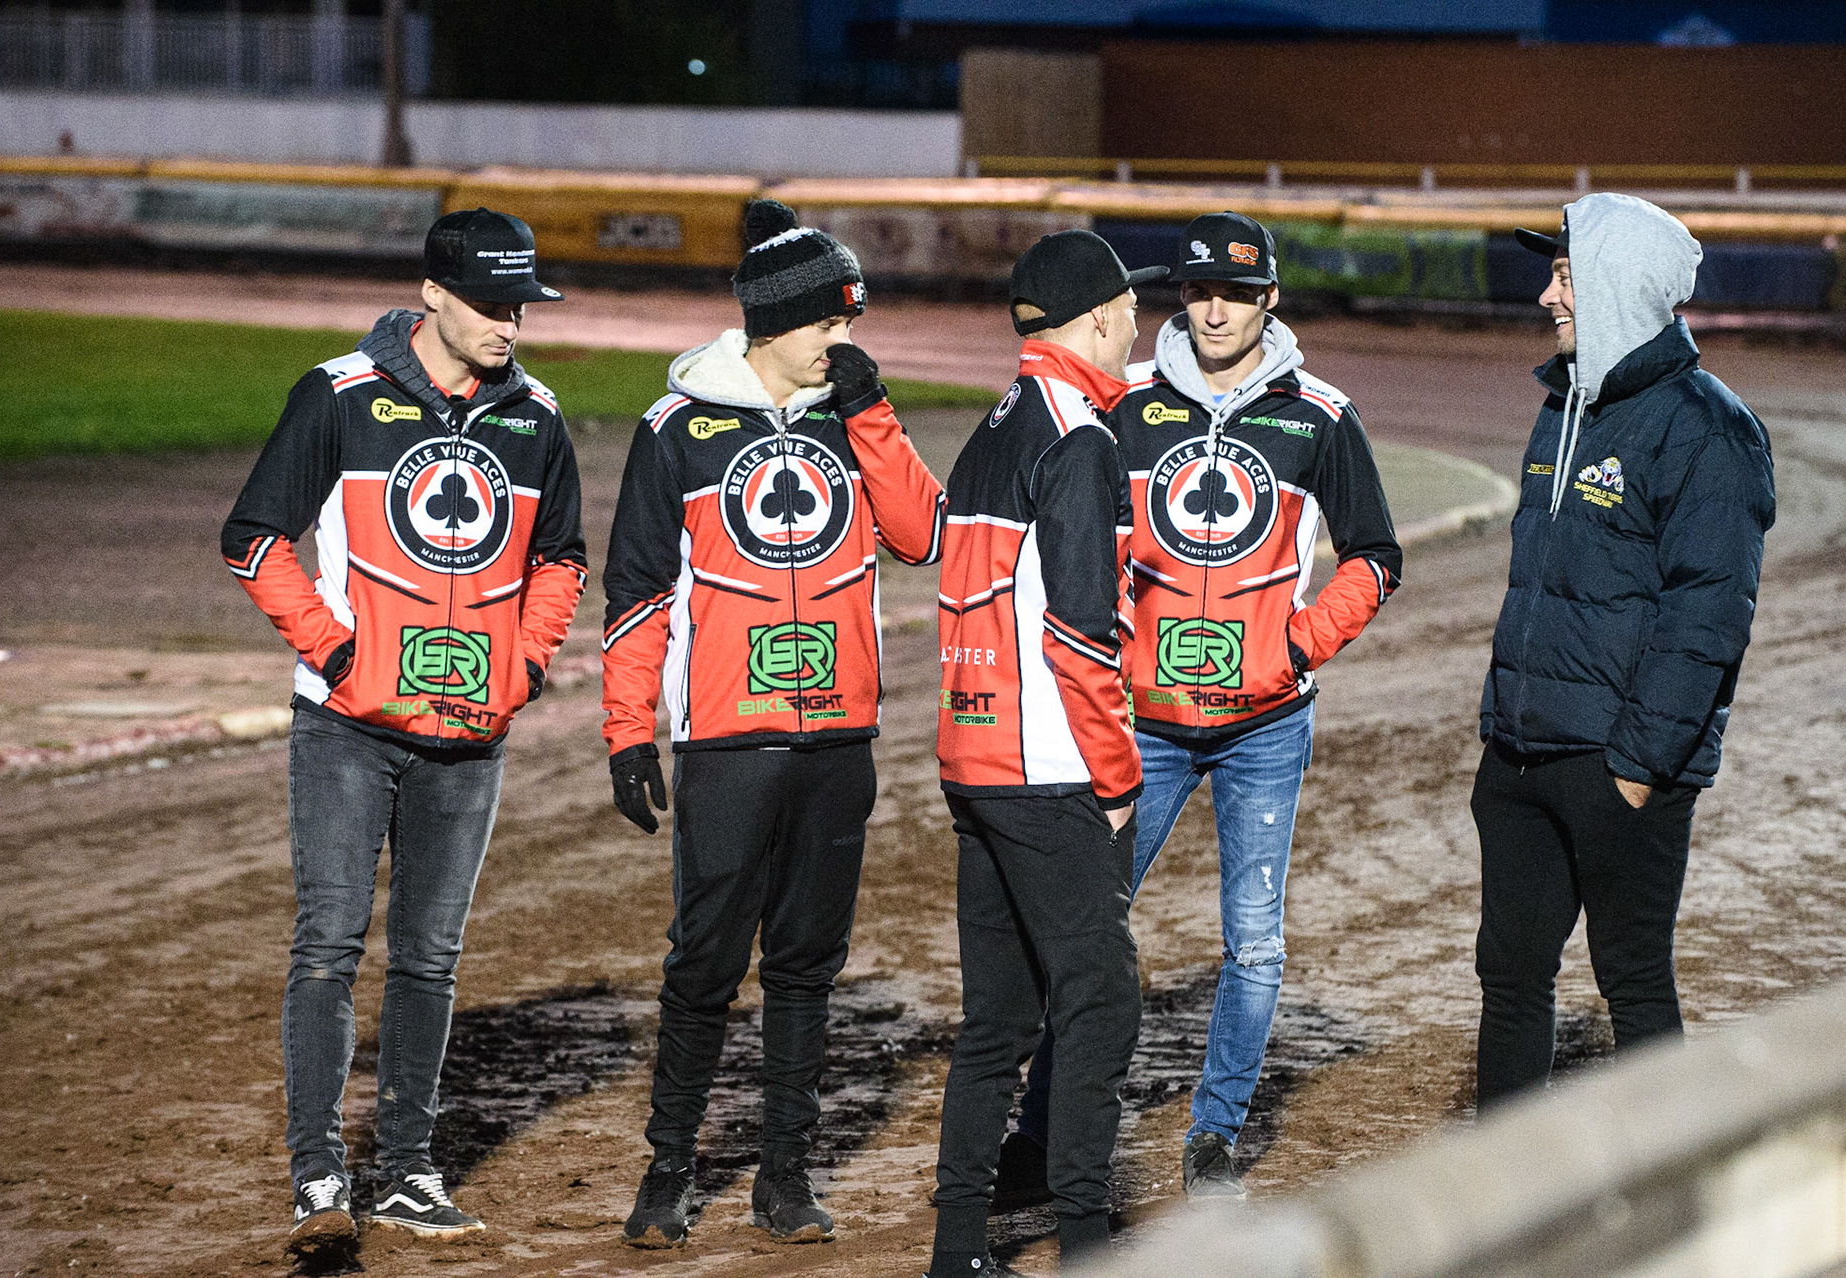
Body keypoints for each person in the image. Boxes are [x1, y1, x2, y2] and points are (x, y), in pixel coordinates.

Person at [994, 211, 1403, 1206]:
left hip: (1266, 725)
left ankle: (1214, 1134)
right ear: (1179, 297)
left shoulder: (1319, 414)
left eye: (1238, 292)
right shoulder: (1123, 405)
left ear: (1271, 300)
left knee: (1254, 936)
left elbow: (1376, 558)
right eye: (1199, 290)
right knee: (1092, 922)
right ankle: (1044, 1132)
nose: (1215, 309)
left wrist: (1298, 644)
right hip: (1145, 727)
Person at [221, 208, 585, 1262]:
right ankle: (318, 1170)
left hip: (469, 737)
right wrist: (338, 658)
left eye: (520, 305)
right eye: (489, 303)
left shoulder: (537, 417)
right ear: (432, 294)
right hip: (343, 729)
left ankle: (408, 1171)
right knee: (329, 946)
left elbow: (561, 559)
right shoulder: (337, 396)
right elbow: (252, 537)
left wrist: (520, 668)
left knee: (429, 958)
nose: (509, 323)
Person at [600, 199, 945, 1249]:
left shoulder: (856, 416)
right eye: (831, 324)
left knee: (805, 967)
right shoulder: (677, 431)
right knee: (703, 964)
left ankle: (785, 1178)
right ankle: (668, 1175)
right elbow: (638, 596)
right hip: (728, 746)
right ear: (775, 323)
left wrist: (875, 415)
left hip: (841, 744)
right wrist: (627, 730)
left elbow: (922, 533)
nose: (846, 341)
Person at [1472, 192, 1775, 1107]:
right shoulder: (1563, 405)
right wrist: (1504, 738)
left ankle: (1671, 1212)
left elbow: (1708, 620)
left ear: (1617, 284)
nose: (1546, 297)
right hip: (1521, 757)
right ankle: (1503, 1206)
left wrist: (1636, 770)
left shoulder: (1710, 428)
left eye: (1564, 274)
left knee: (1634, 984)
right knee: (1511, 980)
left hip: (1622, 769)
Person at [927, 230, 1167, 1277]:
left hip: (972, 758)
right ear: (1102, 316)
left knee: (997, 1021)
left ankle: (954, 1251)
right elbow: (1080, 635)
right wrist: (1119, 780)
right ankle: (1085, 1243)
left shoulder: (994, 427)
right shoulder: (1079, 439)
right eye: (1132, 310)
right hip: (1049, 766)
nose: (1142, 327)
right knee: (1101, 1002)